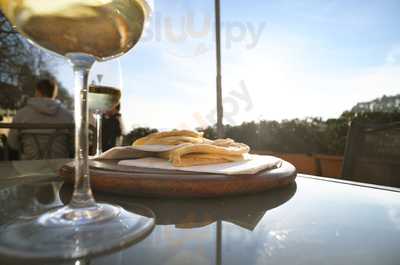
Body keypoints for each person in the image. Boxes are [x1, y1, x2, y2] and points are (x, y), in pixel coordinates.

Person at [8, 79, 74, 160]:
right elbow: (73, 146)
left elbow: (12, 144)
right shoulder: (68, 115)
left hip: (28, 167)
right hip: (60, 167)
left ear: (38, 91)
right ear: (54, 94)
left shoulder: (20, 114)